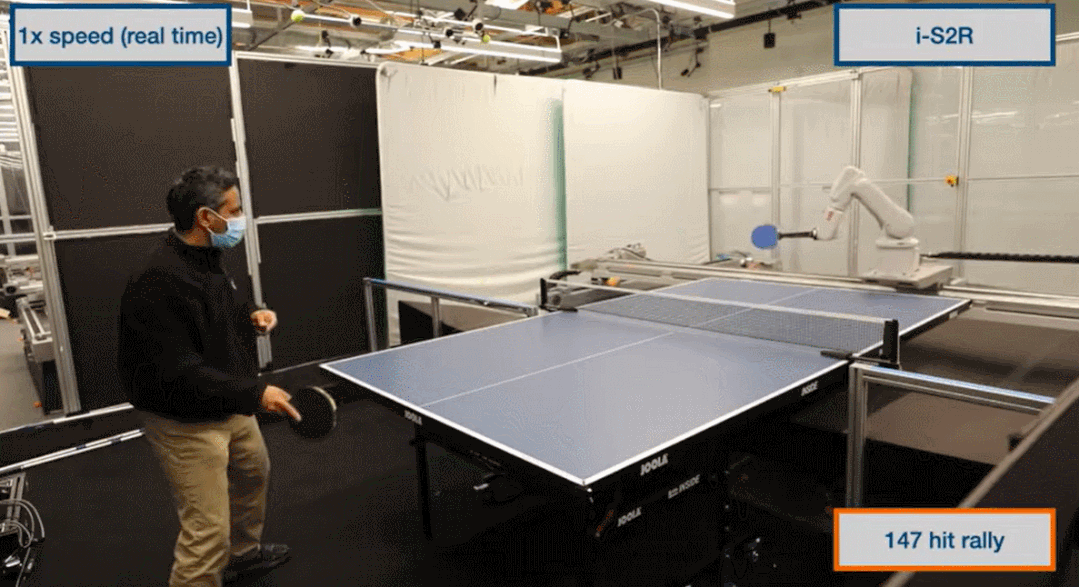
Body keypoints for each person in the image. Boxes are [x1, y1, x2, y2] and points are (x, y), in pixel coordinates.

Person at [117, 166, 300, 587]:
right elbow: (179, 372)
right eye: (233, 211)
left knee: (252, 474)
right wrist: (257, 393)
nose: (240, 219)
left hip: (229, 400)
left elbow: (219, 308)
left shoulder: (206, 256)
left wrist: (251, 314)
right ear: (205, 218)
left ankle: (244, 555)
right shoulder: (156, 280)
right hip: (184, 418)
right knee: (207, 532)